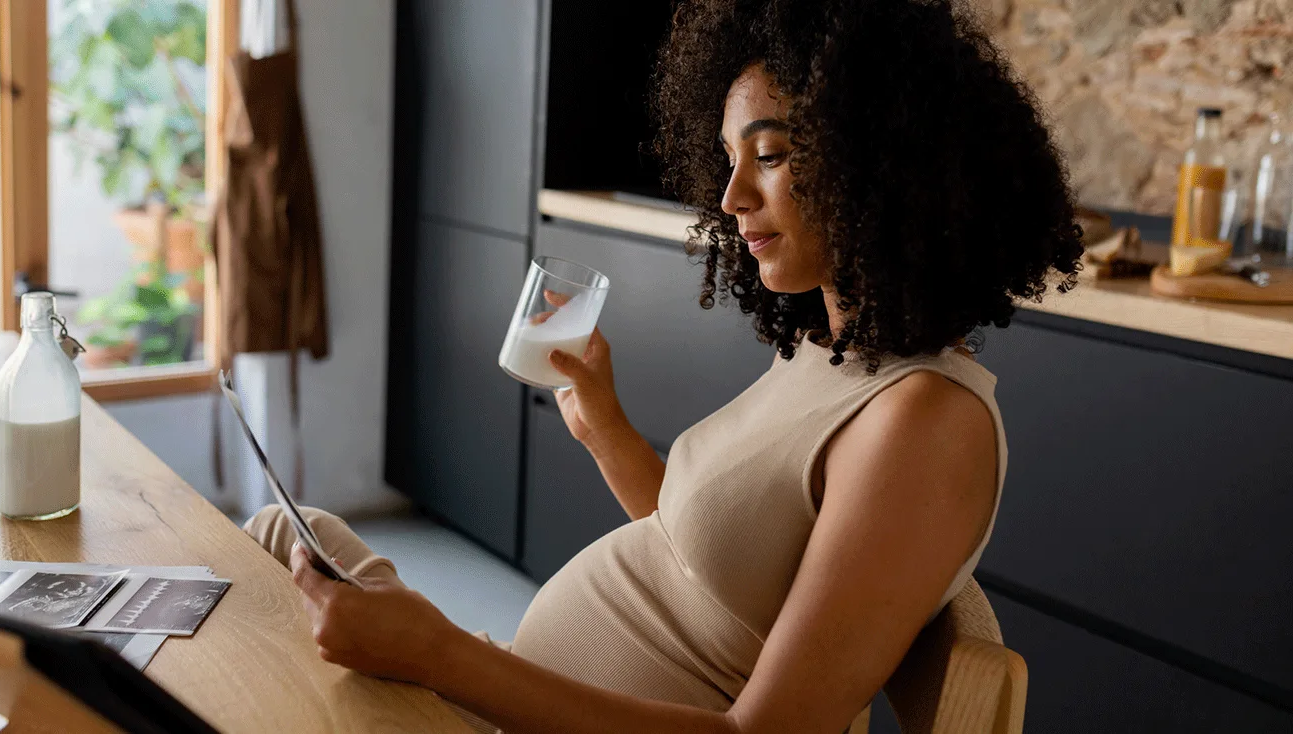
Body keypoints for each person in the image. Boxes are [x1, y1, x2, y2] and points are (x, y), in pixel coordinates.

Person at [245, 0, 1082, 730]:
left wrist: (441, 656)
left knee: (247, 635)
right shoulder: (833, 354)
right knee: (286, 531)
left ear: (886, 158)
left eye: (772, 153)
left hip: (492, 702)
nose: (730, 199)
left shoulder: (926, 422)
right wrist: (606, 429)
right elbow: (709, 565)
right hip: (492, 689)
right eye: (727, 158)